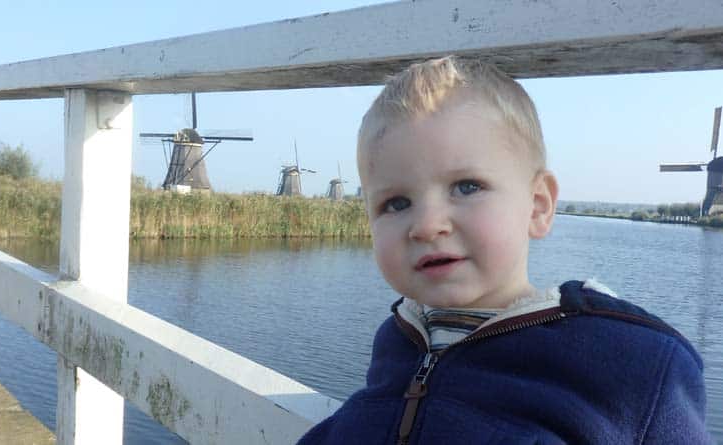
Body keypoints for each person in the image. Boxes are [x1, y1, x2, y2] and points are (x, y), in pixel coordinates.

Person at [298, 56, 713, 444]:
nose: (426, 225)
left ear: (537, 206)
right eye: (396, 203)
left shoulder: (630, 361)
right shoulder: (399, 337)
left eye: (467, 186)